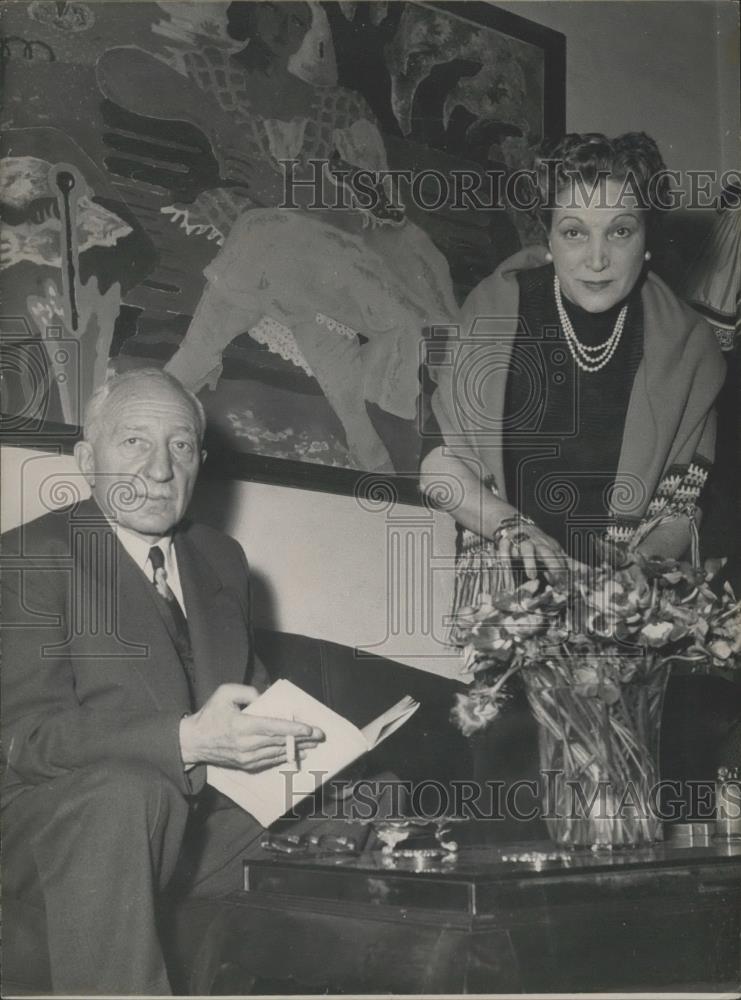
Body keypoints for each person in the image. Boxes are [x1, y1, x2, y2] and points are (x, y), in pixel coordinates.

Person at [1, 368, 327, 994]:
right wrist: (183, 741)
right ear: (85, 458)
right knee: (129, 794)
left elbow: (246, 705)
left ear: (200, 461)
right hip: (53, 829)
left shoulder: (220, 558)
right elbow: (26, 741)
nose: (159, 470)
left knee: (368, 801)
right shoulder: (31, 558)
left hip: (190, 826)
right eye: (133, 443)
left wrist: (316, 747)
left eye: (180, 446)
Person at [420, 132, 726, 611]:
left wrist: (629, 578)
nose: (597, 258)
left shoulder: (692, 347)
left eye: (620, 231)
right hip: (508, 604)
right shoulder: (493, 312)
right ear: (549, 238)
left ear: (647, 239)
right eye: (575, 231)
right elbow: (437, 467)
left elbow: (683, 511)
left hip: (630, 614)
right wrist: (513, 528)